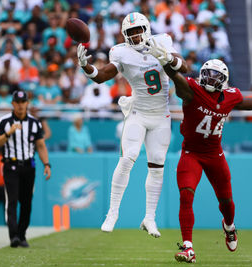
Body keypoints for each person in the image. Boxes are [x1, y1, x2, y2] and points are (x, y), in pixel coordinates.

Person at [148, 44, 252, 262]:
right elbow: (177, 79)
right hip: (191, 153)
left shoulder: (230, 96)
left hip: (214, 155)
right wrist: (166, 62)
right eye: (206, 74)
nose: (209, 79)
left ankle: (229, 226)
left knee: (226, 202)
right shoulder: (192, 90)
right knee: (186, 195)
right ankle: (188, 247)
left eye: (215, 76)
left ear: (224, 81)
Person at [77, 12, 188, 237]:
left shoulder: (163, 41)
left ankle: (149, 218)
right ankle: (113, 212)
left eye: (138, 31)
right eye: (130, 33)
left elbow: (184, 68)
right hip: (138, 113)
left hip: (161, 116)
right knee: (128, 159)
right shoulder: (121, 52)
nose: (135, 36)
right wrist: (87, 67)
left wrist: (166, 57)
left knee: (157, 167)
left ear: (146, 29)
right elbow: (102, 76)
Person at [0, 90, 51, 248]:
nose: (20, 105)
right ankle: (13, 236)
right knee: (11, 201)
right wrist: (8, 134)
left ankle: (22, 234)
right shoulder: (4, 121)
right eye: (17, 102)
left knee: (26, 202)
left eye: (23, 102)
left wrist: (46, 164)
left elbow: (40, 145)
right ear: (12, 104)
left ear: (27, 103)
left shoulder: (34, 122)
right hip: (11, 165)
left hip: (28, 165)